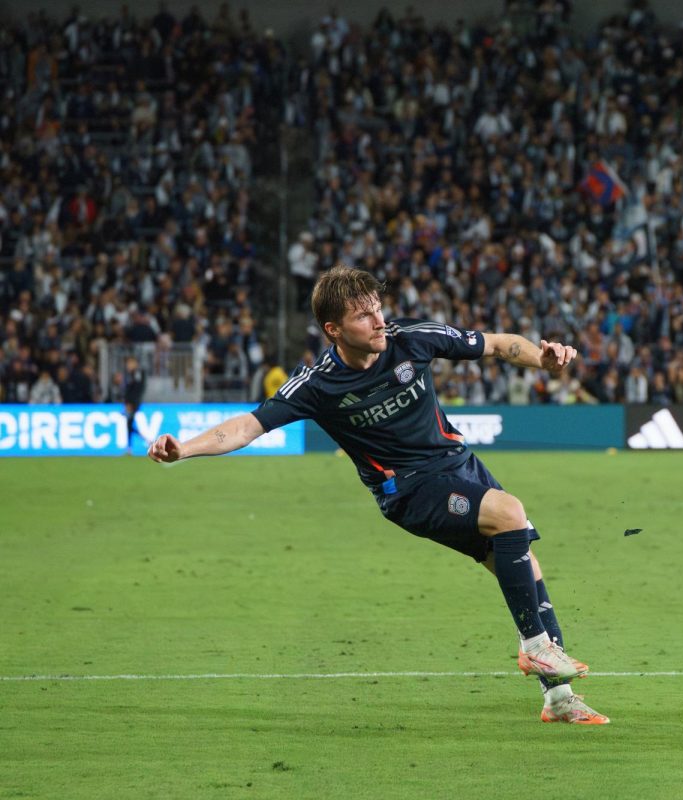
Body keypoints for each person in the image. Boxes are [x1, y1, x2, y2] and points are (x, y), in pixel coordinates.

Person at [148, 265, 608, 725]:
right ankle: (534, 648)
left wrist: (543, 360)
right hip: (408, 489)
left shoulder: (412, 338)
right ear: (334, 329)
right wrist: (183, 449)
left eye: (379, 308)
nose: (379, 320)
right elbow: (246, 427)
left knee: (522, 562)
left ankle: (560, 699)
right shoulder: (317, 384)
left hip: (459, 467)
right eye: (364, 316)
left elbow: (497, 343)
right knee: (510, 513)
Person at [123, 355, 146, 453]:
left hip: (133, 403)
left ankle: (130, 447)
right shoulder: (132, 374)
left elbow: (137, 389)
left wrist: (130, 403)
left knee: (129, 423)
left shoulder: (137, 373)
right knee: (129, 424)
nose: (128, 366)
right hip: (130, 402)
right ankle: (143, 439)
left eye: (129, 363)